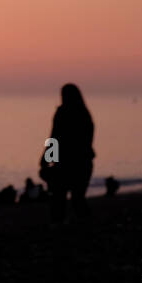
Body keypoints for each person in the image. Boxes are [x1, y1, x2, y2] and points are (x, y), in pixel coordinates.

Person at [40, 83, 95, 221]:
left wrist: (46, 159)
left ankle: (60, 227)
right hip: (83, 163)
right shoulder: (85, 114)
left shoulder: (62, 113)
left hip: (65, 164)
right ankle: (86, 226)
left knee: (59, 198)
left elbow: (54, 137)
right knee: (77, 199)